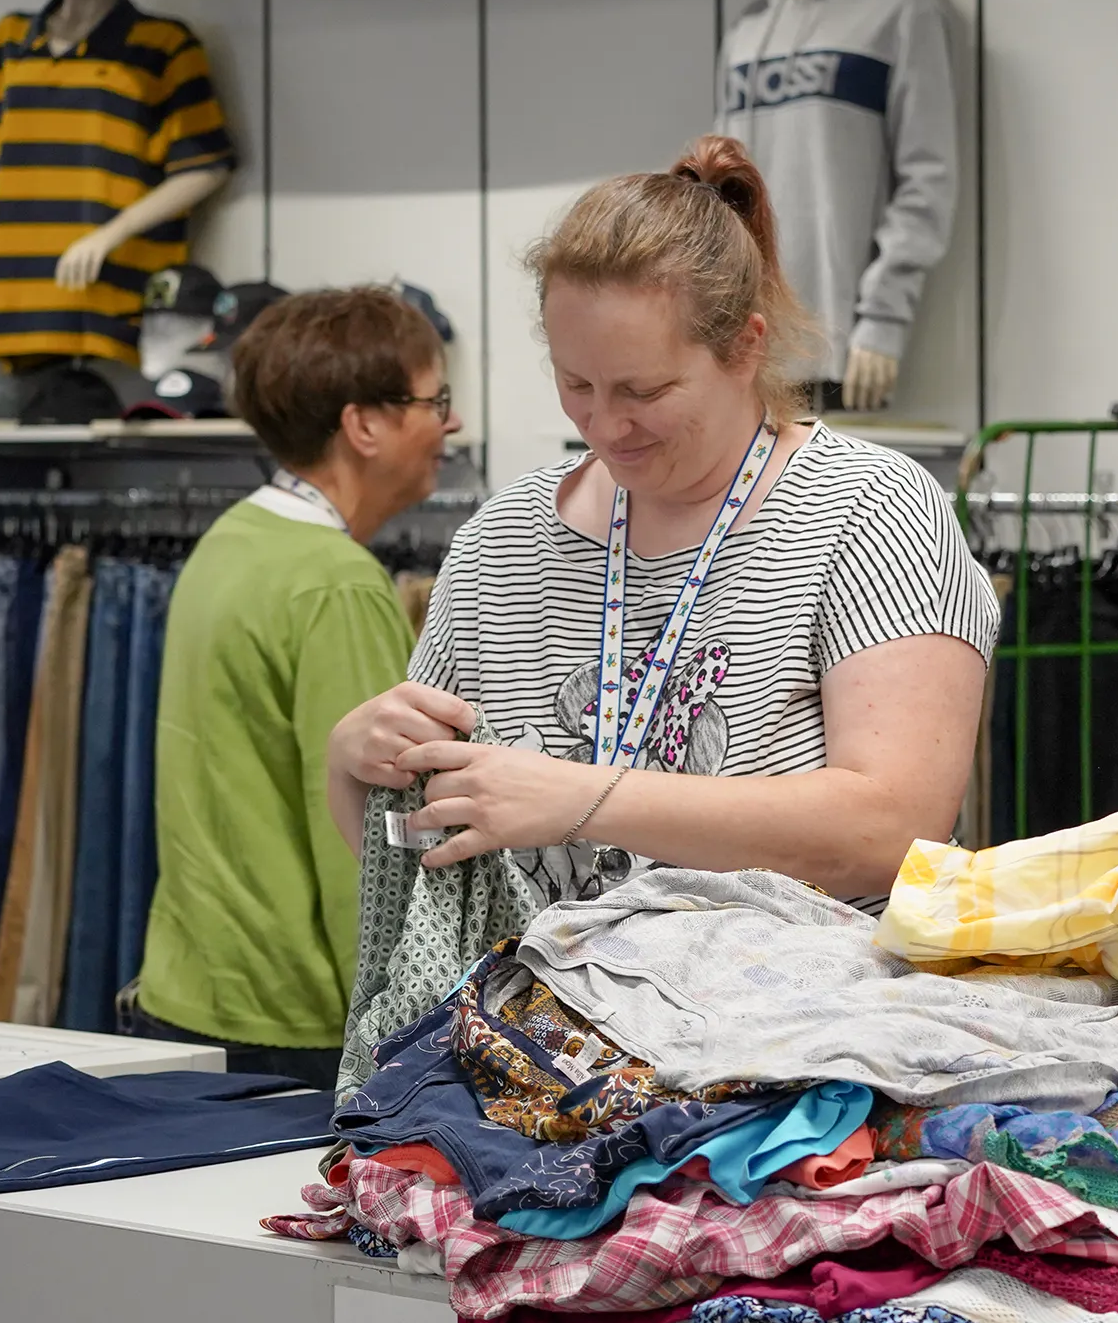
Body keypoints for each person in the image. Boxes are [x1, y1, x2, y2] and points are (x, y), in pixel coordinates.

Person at [325, 135, 997, 911]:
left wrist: (583, 797)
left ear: (745, 348)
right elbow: (428, 861)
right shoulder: (499, 540)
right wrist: (352, 767)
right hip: (538, 1022)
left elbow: (894, 833)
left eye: (643, 390)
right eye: (576, 382)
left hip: (783, 1023)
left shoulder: (868, 510)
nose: (606, 426)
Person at [122, 289, 459, 1087]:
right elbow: (372, 844)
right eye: (434, 400)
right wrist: (412, 1041)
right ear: (364, 424)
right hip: (297, 1019)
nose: (451, 424)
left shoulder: (230, 540)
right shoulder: (335, 583)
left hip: (189, 987)